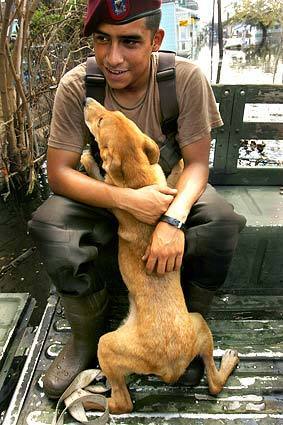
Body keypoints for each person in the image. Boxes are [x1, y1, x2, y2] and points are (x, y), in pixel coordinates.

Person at [28, 0, 246, 399]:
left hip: (167, 193)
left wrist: (173, 219)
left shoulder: (184, 79)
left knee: (221, 221)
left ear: (155, 40)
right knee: (49, 222)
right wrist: (128, 201)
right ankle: (83, 339)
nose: (113, 57)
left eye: (129, 41)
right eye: (102, 40)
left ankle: (178, 334)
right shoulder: (78, 85)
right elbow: (58, 173)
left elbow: (196, 165)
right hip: (103, 193)